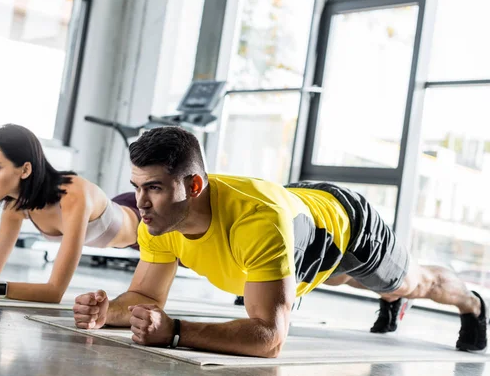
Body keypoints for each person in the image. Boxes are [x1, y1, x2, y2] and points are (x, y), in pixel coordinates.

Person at [73, 126, 487, 358]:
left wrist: (177, 332)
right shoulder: (159, 222)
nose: (140, 204)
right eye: (136, 187)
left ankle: (473, 304)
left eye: (155, 188)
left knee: (410, 282)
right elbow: (145, 295)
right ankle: (385, 297)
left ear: (194, 184)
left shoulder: (256, 223)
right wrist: (109, 311)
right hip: (297, 215)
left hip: (346, 225)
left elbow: (269, 336)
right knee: (331, 278)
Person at [0, 124, 140, 303]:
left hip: (146, 220)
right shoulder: (15, 207)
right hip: (118, 210)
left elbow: (54, 292)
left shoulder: (73, 196)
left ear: (25, 169)